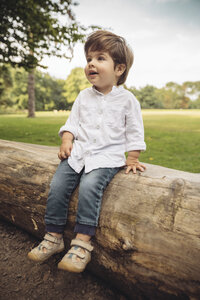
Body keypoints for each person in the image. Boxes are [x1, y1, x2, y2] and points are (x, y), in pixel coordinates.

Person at [28, 30, 146, 273]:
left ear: (119, 69)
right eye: (89, 58)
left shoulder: (127, 100)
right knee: (59, 185)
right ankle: (53, 236)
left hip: (106, 157)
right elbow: (71, 123)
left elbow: (134, 130)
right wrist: (67, 140)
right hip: (79, 154)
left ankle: (82, 244)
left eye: (100, 58)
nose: (91, 63)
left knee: (91, 186)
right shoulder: (83, 97)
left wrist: (132, 157)